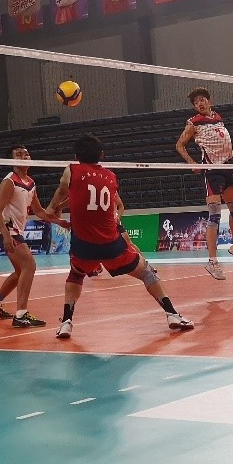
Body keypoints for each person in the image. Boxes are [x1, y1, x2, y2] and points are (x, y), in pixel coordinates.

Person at [45, 134, 193, 339]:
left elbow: (64, 189)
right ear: (102, 155)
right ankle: (172, 314)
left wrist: (53, 207)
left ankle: (66, 323)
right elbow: (88, 195)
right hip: (110, 244)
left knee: (76, 275)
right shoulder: (111, 177)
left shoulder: (72, 170)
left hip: (83, 246)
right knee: (147, 272)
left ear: (76, 156)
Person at [175, 87, 233, 279]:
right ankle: (212, 262)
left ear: (209, 101)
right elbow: (179, 145)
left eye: (202, 100)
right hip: (212, 171)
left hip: (226, 168)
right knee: (215, 215)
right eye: (196, 103)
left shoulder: (218, 117)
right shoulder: (193, 122)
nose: (199, 104)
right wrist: (192, 163)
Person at [0, 145, 57, 327]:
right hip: (8, 231)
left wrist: (61, 222)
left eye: (27, 154)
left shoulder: (30, 183)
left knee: (19, 272)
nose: (25, 157)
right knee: (29, 266)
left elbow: (39, 211)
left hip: (16, 231)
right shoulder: (9, 181)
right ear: (12, 160)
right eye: (19, 155)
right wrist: (6, 236)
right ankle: (21, 314)